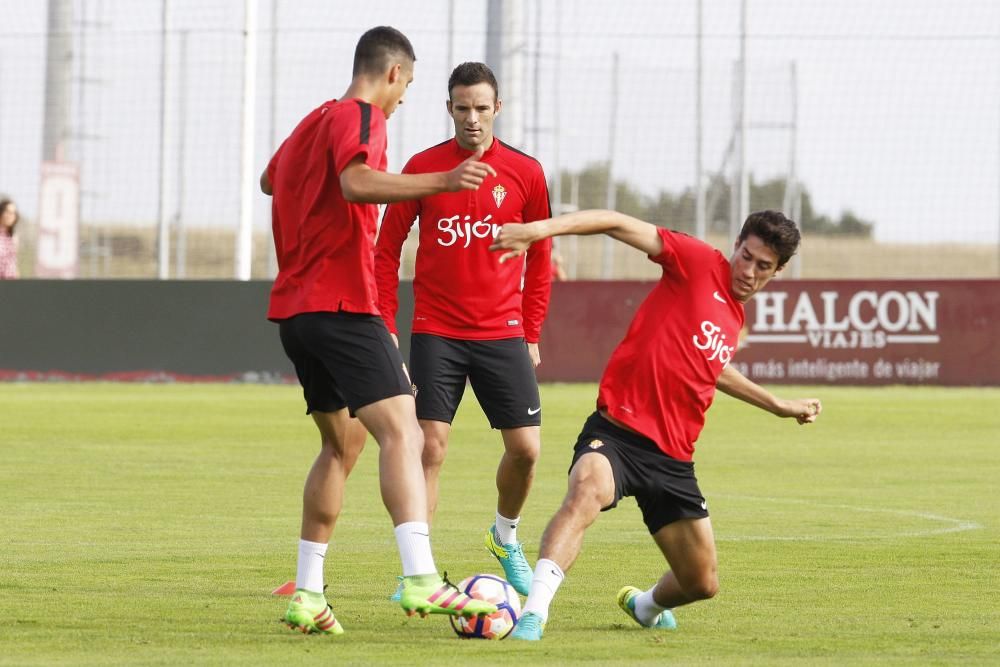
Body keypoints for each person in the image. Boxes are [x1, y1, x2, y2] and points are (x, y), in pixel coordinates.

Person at [260, 26, 500, 635]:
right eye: (409, 87)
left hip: (295, 312)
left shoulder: (316, 118)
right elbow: (356, 181)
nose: (402, 100)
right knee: (405, 433)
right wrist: (442, 182)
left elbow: (271, 179)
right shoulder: (363, 116)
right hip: (342, 303)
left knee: (343, 446)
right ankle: (421, 578)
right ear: (392, 74)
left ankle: (308, 594)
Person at [488, 209, 823, 640]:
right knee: (586, 491)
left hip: (672, 460)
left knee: (701, 583)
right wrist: (537, 231)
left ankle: (644, 606)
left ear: (776, 273)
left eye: (763, 267)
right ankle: (535, 612)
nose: (749, 271)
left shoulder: (734, 318)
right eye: (746, 256)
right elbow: (614, 222)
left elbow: (713, 368)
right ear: (735, 246)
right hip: (616, 435)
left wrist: (778, 405)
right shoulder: (698, 261)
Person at [374, 62, 552, 597]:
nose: (471, 118)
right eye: (461, 108)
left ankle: (504, 536)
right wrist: (386, 325)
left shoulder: (526, 172)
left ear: (497, 108)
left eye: (481, 108)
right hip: (437, 331)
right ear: (448, 109)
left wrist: (532, 328)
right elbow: (386, 251)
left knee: (526, 450)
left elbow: (541, 255)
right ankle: (419, 571)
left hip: (503, 333)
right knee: (429, 447)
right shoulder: (424, 168)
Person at [0, 198, 19, 279]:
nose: (11, 216)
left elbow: (13, 264)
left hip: (10, 284)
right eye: (8, 212)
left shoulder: (13, 238)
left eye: (13, 213)